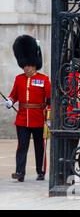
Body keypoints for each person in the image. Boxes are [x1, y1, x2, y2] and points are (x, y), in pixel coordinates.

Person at [5, 35, 51, 182]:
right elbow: (14, 95)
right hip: (23, 118)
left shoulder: (44, 79)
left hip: (38, 118)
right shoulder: (19, 78)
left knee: (39, 147)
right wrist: (10, 101)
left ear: (35, 64)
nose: (27, 68)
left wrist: (48, 118)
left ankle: (41, 171)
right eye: (24, 65)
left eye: (29, 65)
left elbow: (49, 100)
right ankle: (20, 172)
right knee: (22, 146)